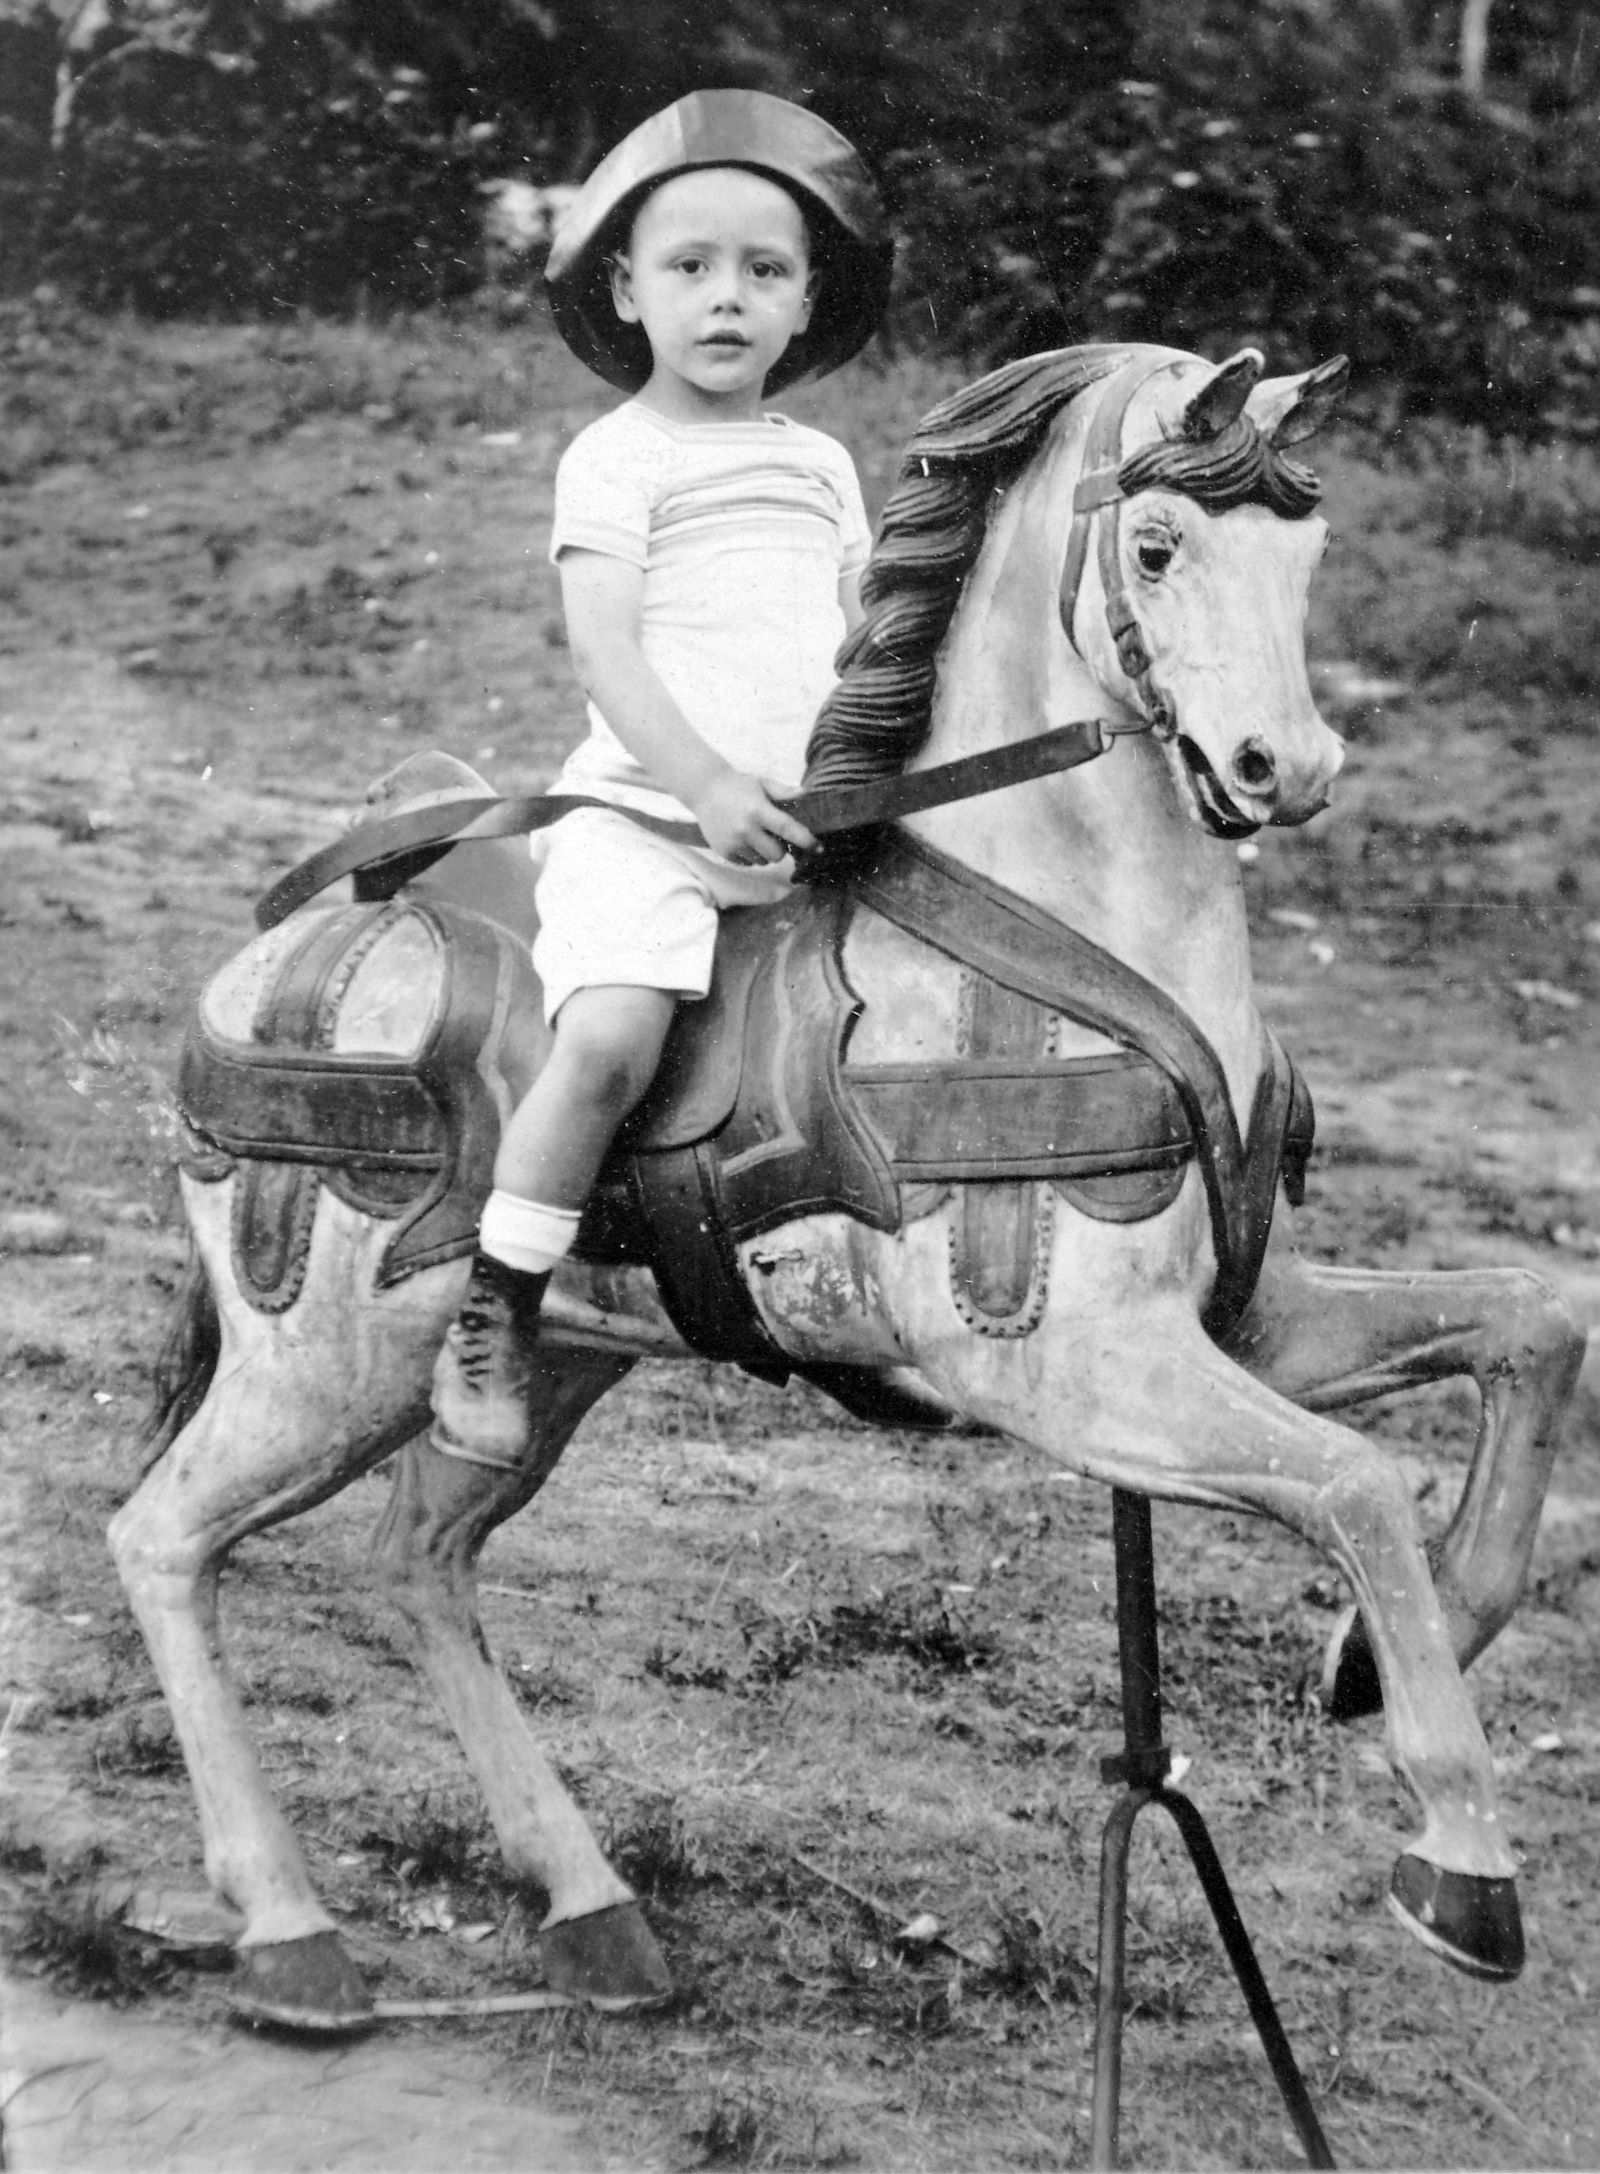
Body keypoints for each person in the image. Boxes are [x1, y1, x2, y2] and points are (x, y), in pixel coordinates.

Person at [428, 89, 894, 1467]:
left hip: (806, 822)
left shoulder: (821, 465)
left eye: (765, 270)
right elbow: (607, 648)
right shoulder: (618, 457)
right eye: (690, 267)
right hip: (649, 815)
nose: (727, 298)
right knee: (618, 1035)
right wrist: (697, 781)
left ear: (808, 303)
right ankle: (500, 1297)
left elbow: (865, 637)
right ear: (626, 291)